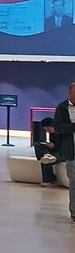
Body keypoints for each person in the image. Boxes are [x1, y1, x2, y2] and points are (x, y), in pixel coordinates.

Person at [53, 83, 75, 221]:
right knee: (74, 182)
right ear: (70, 93)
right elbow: (58, 127)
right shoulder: (62, 108)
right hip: (71, 151)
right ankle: (74, 211)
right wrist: (73, 127)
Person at [34, 117, 60, 186]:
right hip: (54, 151)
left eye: (48, 129)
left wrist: (54, 146)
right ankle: (46, 155)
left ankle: (48, 180)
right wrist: (50, 145)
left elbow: (65, 147)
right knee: (37, 145)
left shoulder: (63, 133)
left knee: (47, 160)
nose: (48, 131)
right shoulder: (52, 133)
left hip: (61, 152)